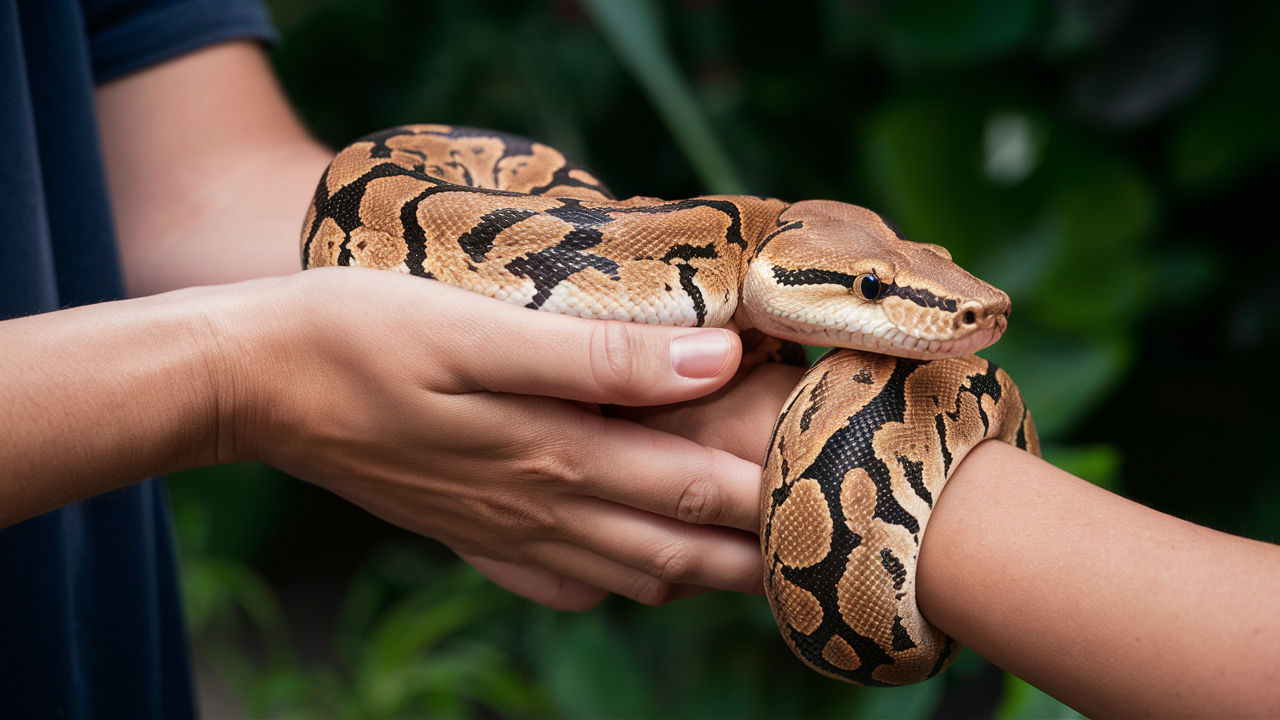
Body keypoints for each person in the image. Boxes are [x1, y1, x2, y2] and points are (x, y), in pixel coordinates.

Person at [3, 1, 1278, 718]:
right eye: (888, 297)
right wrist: (232, 381)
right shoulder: (683, 266)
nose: (952, 313)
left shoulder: (674, 261)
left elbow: (183, 185)